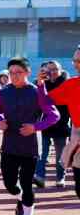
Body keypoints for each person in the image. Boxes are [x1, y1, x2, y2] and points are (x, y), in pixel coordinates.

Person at [0, 56, 59, 215]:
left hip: (30, 146)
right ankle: (21, 199)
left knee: (27, 183)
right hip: (9, 145)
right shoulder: (4, 92)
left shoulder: (37, 92)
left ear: (27, 72)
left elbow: (54, 116)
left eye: (18, 72)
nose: (14, 76)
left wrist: (35, 127)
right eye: (11, 73)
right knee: (10, 184)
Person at [50, 46, 80, 199]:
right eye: (75, 61)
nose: (75, 64)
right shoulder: (72, 84)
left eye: (79, 61)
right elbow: (46, 99)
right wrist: (41, 84)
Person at [35, 61, 71, 189]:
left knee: (60, 155)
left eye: (55, 69)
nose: (52, 72)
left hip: (62, 125)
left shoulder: (66, 84)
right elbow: (38, 103)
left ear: (60, 70)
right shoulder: (42, 84)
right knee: (42, 153)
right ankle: (40, 177)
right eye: (49, 70)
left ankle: (60, 178)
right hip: (46, 125)